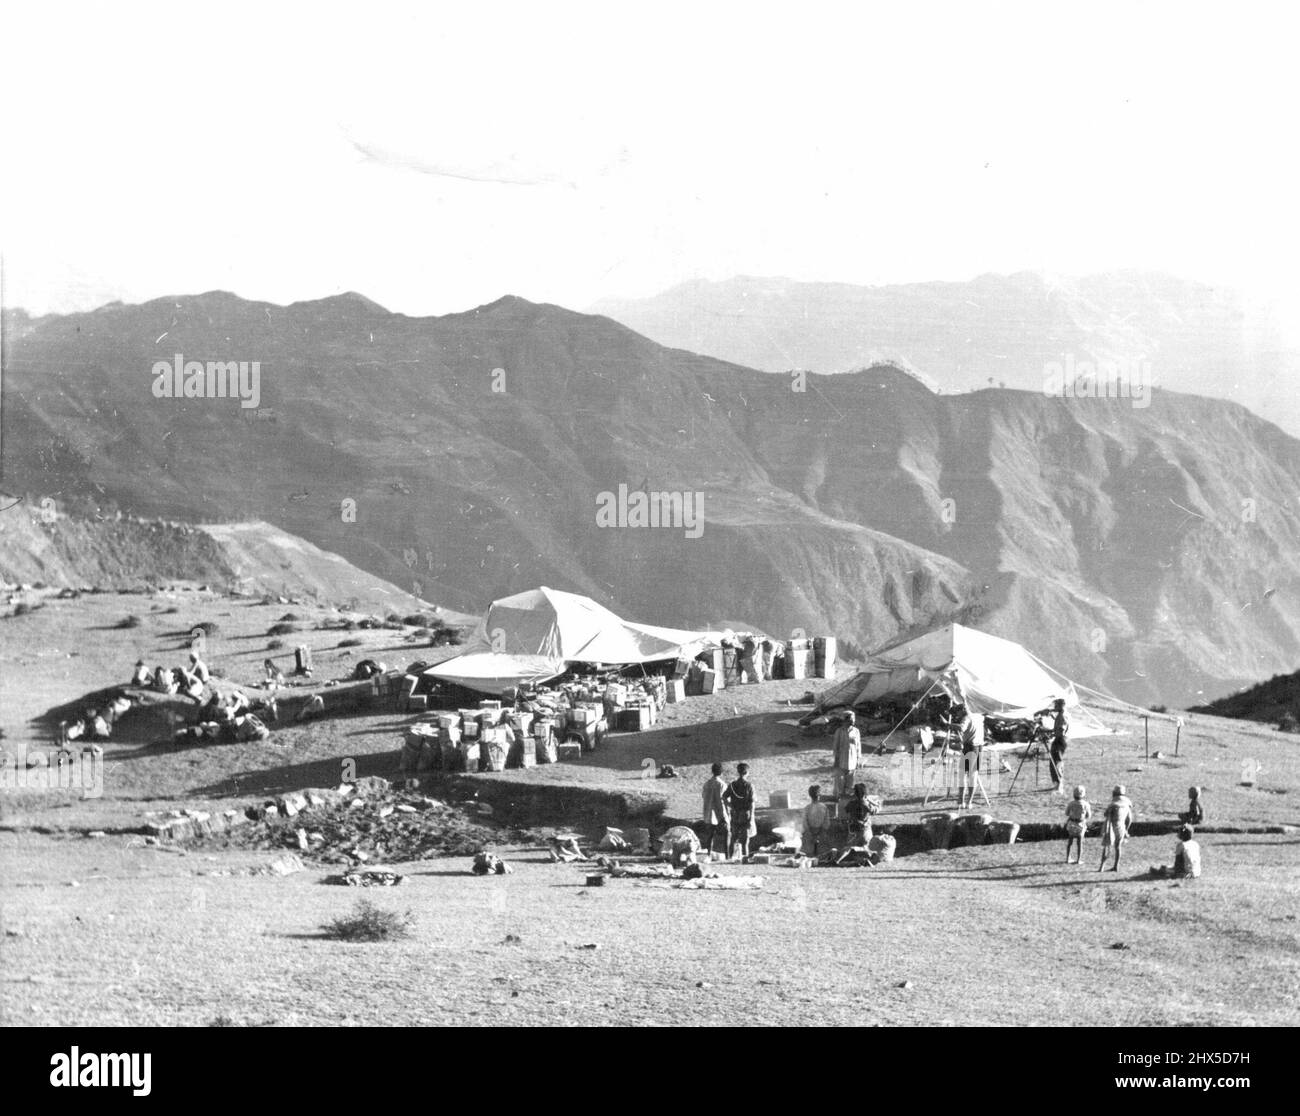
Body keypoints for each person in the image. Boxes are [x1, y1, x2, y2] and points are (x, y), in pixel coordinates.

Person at [723, 762, 756, 862]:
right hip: (745, 815)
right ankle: (745, 859)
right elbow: (752, 804)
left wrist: (730, 806)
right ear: (747, 772)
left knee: (733, 838)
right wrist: (752, 818)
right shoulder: (749, 786)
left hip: (735, 814)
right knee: (745, 840)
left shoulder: (732, 785)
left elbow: (724, 797)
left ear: (738, 772)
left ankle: (729, 859)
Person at [1099, 784, 1135, 872]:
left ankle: (1102, 867)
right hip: (1121, 826)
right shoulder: (1127, 805)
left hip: (1111, 825)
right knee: (1118, 846)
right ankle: (1116, 866)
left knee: (1106, 846)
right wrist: (1126, 829)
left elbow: (1106, 814)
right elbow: (1129, 818)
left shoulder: (1113, 804)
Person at [956, 705, 984, 810]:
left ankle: (961, 801)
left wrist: (949, 725)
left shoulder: (966, 717)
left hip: (970, 747)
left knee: (963, 774)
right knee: (974, 775)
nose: (957, 716)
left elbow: (961, 728)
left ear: (962, 711)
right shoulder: (979, 716)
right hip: (979, 746)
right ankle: (969, 802)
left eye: (958, 713)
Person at [701, 762, 730, 861]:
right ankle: (727, 856)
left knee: (709, 836)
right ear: (721, 773)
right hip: (720, 814)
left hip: (709, 813)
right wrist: (726, 816)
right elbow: (724, 801)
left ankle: (708, 855)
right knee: (726, 835)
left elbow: (704, 796)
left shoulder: (707, 784)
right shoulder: (722, 785)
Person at [831, 711, 862, 799]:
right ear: (845, 720)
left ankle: (847, 799)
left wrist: (858, 760)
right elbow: (835, 747)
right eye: (850, 719)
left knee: (850, 782)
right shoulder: (839, 731)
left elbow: (858, 746)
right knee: (839, 782)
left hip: (852, 761)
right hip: (841, 760)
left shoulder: (856, 731)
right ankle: (838, 798)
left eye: (853, 719)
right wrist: (836, 761)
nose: (852, 721)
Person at [1064, 784, 1092, 864]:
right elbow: (1088, 816)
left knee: (1070, 842)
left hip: (1072, 823)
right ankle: (1078, 860)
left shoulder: (1071, 803)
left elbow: (1066, 813)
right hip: (1080, 824)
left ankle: (1068, 858)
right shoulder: (1086, 804)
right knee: (1080, 843)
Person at [801, 785, 830, 856]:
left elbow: (804, 824)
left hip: (809, 836)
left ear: (810, 795)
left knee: (807, 854)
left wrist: (811, 834)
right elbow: (827, 823)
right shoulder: (824, 807)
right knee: (822, 854)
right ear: (819, 795)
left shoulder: (807, 808)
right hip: (821, 836)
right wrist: (819, 834)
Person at [1048, 697, 1069, 794]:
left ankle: (1059, 784)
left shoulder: (1062, 716)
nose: (1055, 707)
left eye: (1056, 705)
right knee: (1054, 761)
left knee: (1056, 762)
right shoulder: (1060, 715)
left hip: (1060, 740)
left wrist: (1053, 733)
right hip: (1059, 739)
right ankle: (1056, 782)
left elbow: (1061, 730)